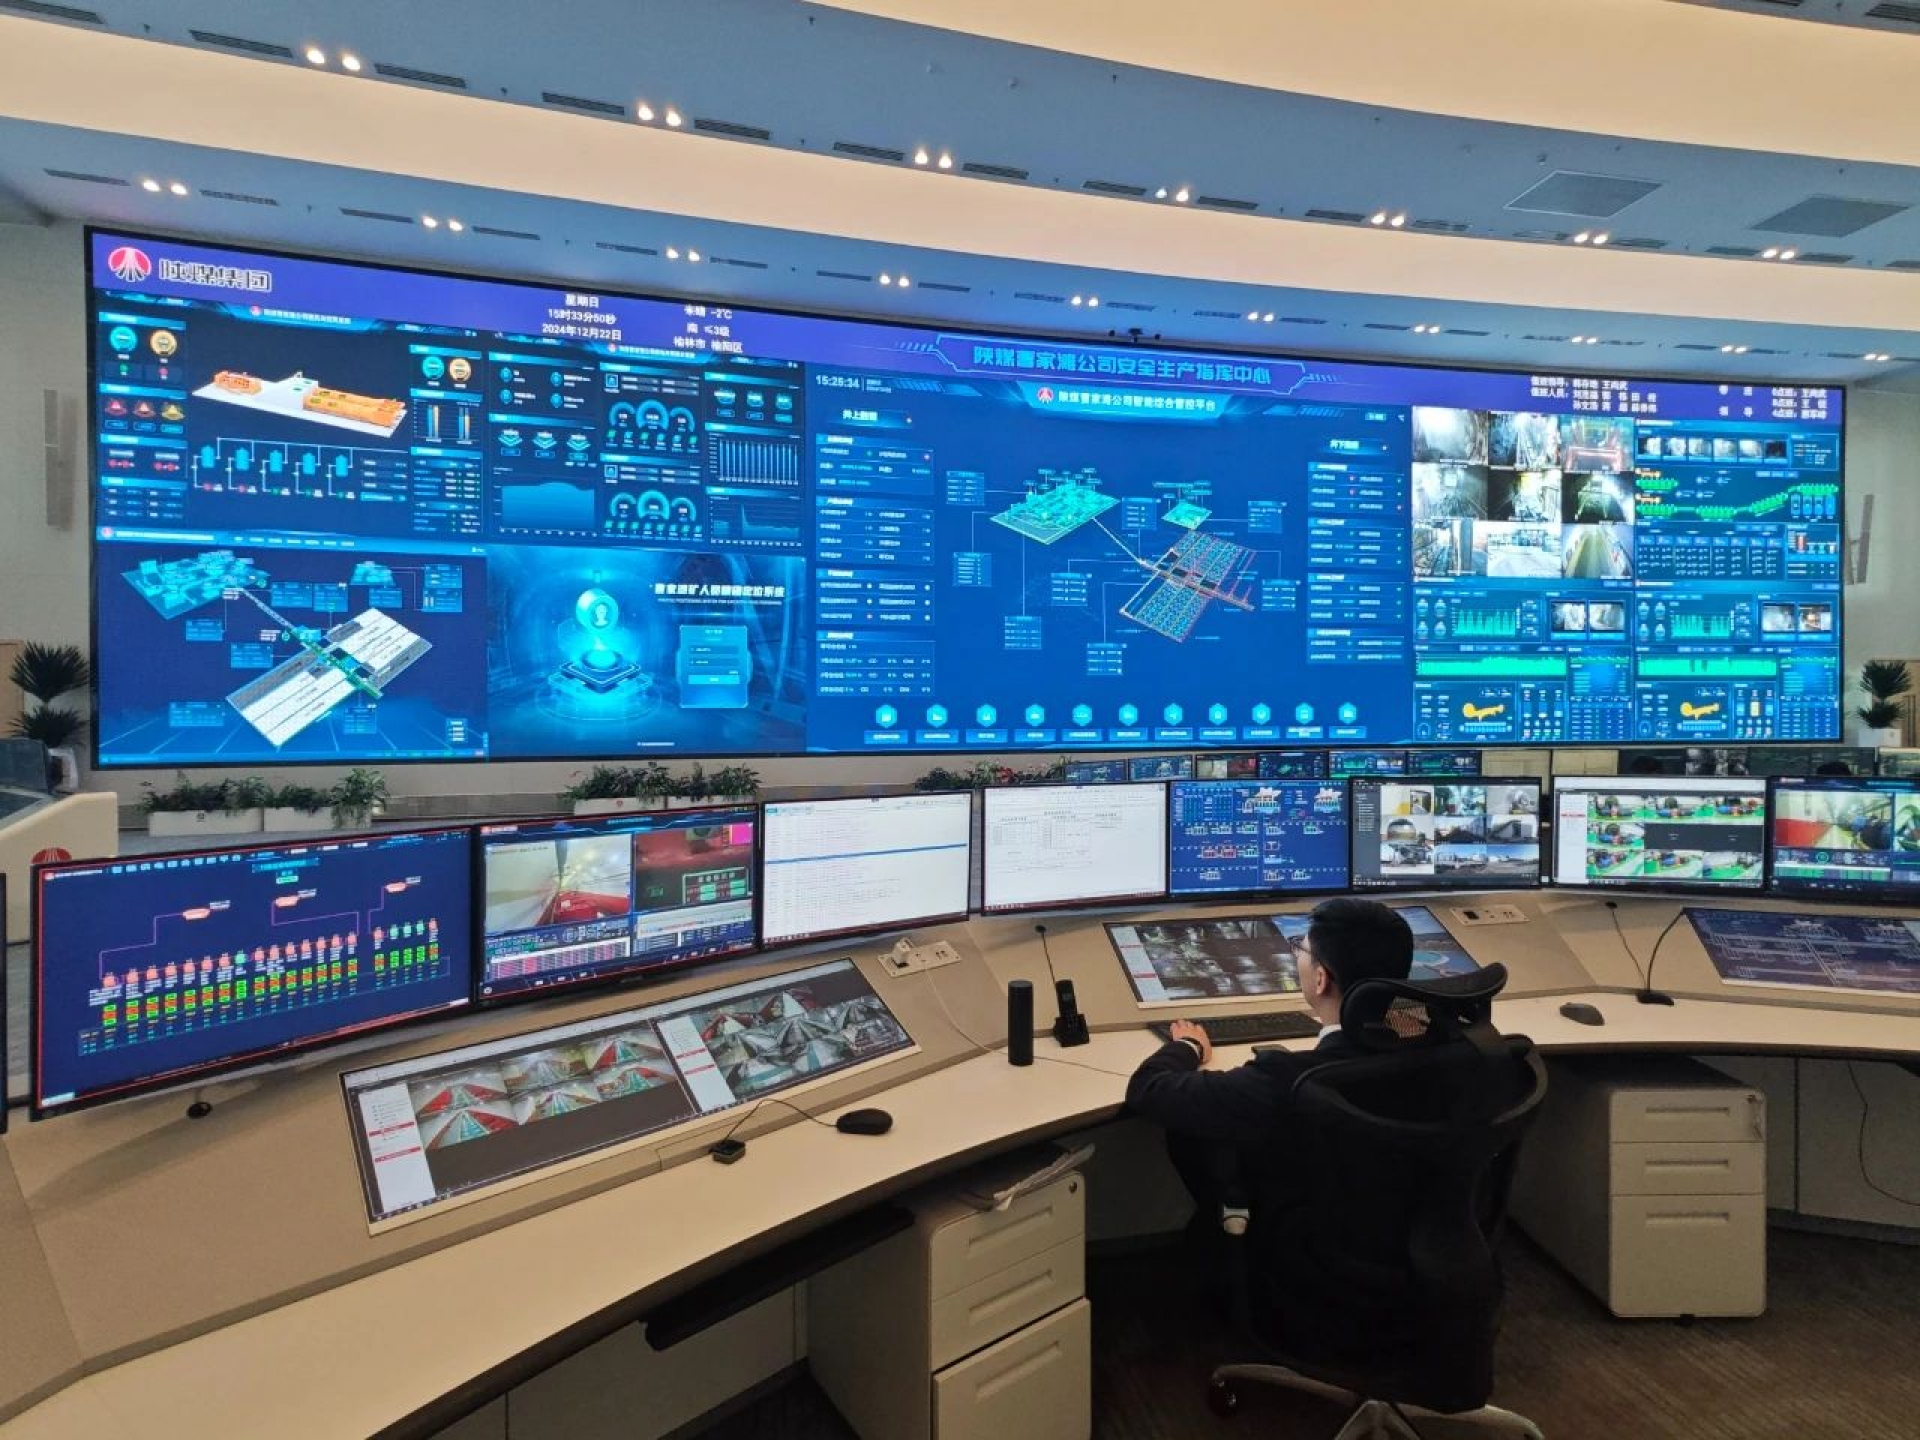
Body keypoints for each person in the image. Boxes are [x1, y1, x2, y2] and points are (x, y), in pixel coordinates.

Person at [1125, 899, 1414, 1330]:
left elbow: (1149, 1090)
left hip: (1315, 1266)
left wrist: (1187, 1046)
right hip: (1432, 1250)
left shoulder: (1286, 1078)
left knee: (1191, 1134)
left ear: (1320, 978)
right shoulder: (1443, 1047)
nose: (1297, 956)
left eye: (1301, 948)